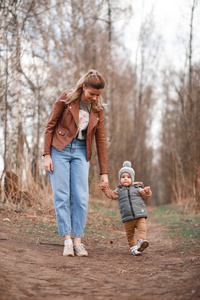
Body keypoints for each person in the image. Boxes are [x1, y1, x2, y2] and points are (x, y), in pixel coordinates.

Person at [43, 70, 108, 257]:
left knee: (80, 197)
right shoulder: (66, 98)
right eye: (92, 94)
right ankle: (67, 240)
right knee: (61, 195)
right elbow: (50, 125)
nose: (94, 98)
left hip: (81, 151)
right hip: (60, 149)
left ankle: (78, 241)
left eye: (98, 95)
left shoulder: (98, 108)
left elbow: (101, 140)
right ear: (83, 87)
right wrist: (47, 155)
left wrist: (104, 173)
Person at [99, 161, 152, 256]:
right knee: (130, 234)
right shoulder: (119, 191)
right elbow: (110, 195)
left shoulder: (137, 188)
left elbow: (145, 196)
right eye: (123, 177)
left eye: (128, 177)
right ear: (120, 179)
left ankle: (141, 241)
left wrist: (147, 192)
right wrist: (105, 189)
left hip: (140, 215)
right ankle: (133, 247)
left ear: (132, 178)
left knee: (142, 229)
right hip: (127, 217)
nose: (126, 179)